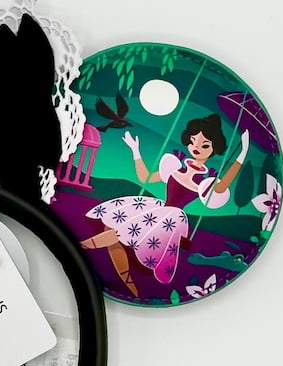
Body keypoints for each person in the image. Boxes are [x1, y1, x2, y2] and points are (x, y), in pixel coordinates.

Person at [80, 114, 249, 297]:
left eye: (205, 145)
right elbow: (145, 178)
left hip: (171, 220)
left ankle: (79, 248)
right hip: (157, 209)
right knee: (112, 227)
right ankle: (126, 280)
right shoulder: (174, 167)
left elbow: (223, 186)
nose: (196, 148)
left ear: (214, 148)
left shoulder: (205, 183)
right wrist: (135, 150)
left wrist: (242, 154)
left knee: (120, 232)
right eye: (193, 141)